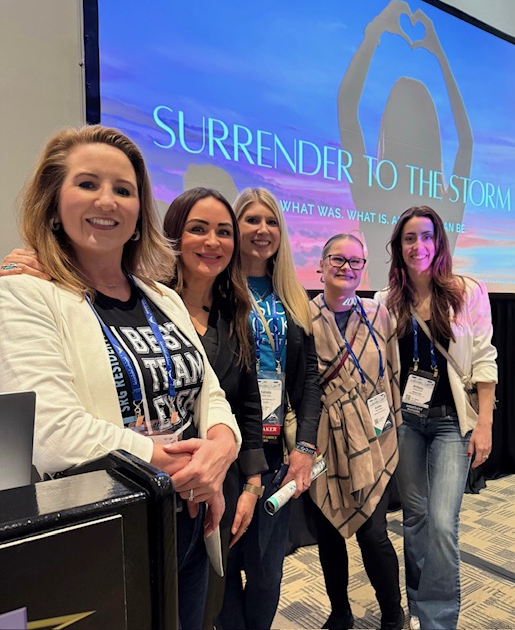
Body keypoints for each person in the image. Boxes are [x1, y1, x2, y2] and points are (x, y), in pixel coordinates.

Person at [0, 125, 241, 630]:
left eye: (123, 190)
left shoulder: (163, 296)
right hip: (109, 529)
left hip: (192, 520)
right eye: (87, 183)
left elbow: (210, 394)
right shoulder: (23, 294)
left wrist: (221, 448)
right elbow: (54, 434)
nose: (107, 200)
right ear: (53, 203)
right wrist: (186, 467)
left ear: (138, 213)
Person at [375, 206, 497, 630]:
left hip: (450, 423)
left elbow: (483, 359)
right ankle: (418, 607)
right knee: (415, 519)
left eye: (426, 236)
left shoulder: (467, 291)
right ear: (399, 247)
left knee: (443, 524)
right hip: (407, 423)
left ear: (439, 242)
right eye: (409, 238)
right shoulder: (385, 302)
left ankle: (438, 620)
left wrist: (484, 424)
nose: (418, 246)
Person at [162, 187, 268, 628]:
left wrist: (252, 484)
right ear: (173, 235)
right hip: (160, 480)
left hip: (219, 483)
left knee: (206, 606)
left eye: (224, 232)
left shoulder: (234, 311)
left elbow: (248, 403)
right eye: (198, 229)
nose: (213, 242)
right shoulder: (144, 302)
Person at [218, 187, 321, 630]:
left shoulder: (293, 296)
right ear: (235, 227)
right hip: (226, 448)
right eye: (252, 220)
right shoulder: (215, 289)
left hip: (279, 450)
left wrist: (306, 446)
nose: (262, 230)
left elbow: (310, 380)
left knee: (266, 572)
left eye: (272, 221)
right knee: (222, 568)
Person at [338, 0, 473, 289]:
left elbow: (346, 106)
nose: (417, 246)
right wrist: (440, 56)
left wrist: (374, 32)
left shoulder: (371, 191)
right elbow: (466, 143)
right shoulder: (447, 204)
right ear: (431, 133)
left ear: (388, 126)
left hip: (387, 309)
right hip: (389, 311)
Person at [308, 233, 403, 630]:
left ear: (364, 268)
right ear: (321, 265)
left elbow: (392, 373)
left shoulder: (379, 314)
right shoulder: (304, 317)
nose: (346, 268)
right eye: (338, 259)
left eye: (355, 261)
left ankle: (393, 613)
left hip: (374, 439)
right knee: (329, 533)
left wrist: (392, 424)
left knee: (373, 534)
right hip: (325, 440)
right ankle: (340, 612)